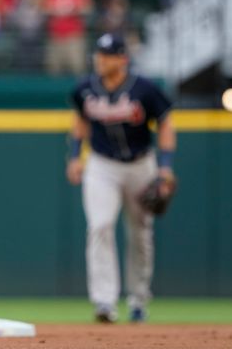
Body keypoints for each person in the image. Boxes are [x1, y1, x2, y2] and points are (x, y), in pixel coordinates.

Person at [66, 33, 176, 323]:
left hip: (141, 164)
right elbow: (80, 122)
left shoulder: (145, 89)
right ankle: (104, 302)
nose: (100, 60)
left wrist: (165, 167)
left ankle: (139, 299)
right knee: (100, 226)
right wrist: (75, 157)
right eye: (98, 55)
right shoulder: (85, 88)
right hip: (101, 165)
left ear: (122, 59)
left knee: (140, 233)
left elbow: (165, 123)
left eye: (107, 55)